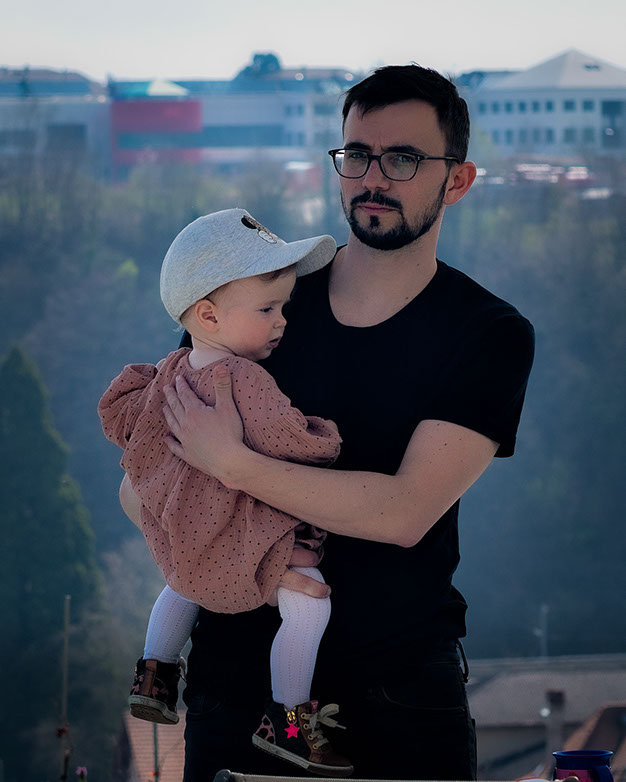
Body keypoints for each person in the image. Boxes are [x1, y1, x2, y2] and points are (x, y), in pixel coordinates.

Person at [131, 64, 535, 780]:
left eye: (403, 158)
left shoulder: (487, 333)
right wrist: (242, 547)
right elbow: (144, 483)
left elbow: (403, 512)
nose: (372, 178)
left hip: (401, 695)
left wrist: (235, 467)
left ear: (458, 180)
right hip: (235, 686)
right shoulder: (260, 302)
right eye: (357, 155)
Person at [100, 208, 354, 777]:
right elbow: (289, 439)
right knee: (309, 603)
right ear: (209, 315)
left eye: (283, 307)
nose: (282, 321)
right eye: (267, 309)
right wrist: (325, 436)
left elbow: (129, 425)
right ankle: (290, 723)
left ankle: (155, 673)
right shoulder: (243, 378)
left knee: (183, 581)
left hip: (188, 527)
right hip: (240, 527)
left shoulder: (168, 370)